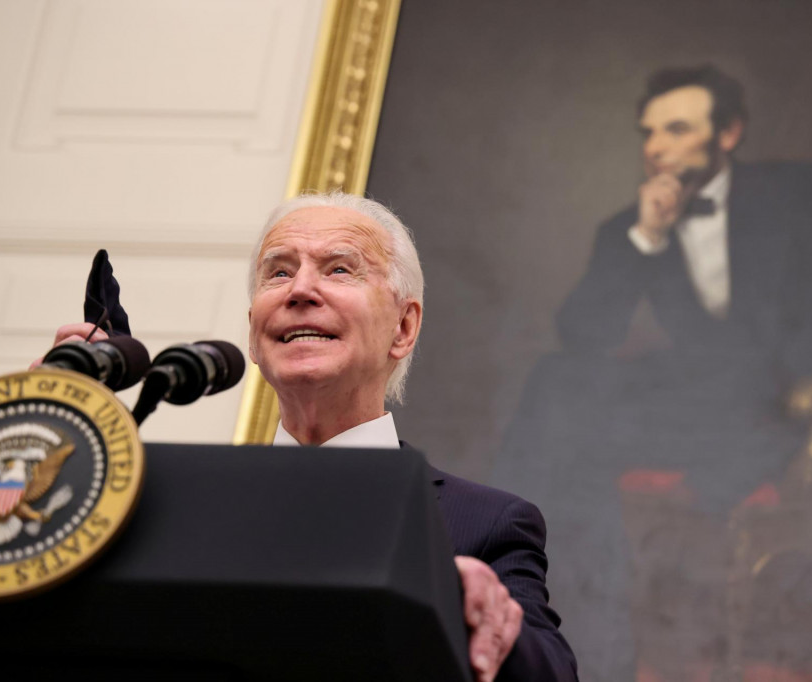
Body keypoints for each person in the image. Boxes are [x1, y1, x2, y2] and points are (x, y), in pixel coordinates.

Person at [494, 65, 812, 680]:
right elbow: (585, 338)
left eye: (677, 129)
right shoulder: (631, 227)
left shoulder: (798, 189)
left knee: (570, 437)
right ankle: (534, 610)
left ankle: (524, 613)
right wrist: (647, 237)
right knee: (557, 386)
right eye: (648, 133)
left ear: (728, 133)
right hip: (703, 407)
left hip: (800, 407)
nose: (656, 148)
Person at [48, 191, 578, 682]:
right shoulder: (173, 511)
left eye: (340, 269)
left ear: (403, 328)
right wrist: (57, 457)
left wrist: (480, 612)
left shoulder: (484, 524)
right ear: (254, 335)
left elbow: (552, 672)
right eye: (278, 273)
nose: (300, 290)